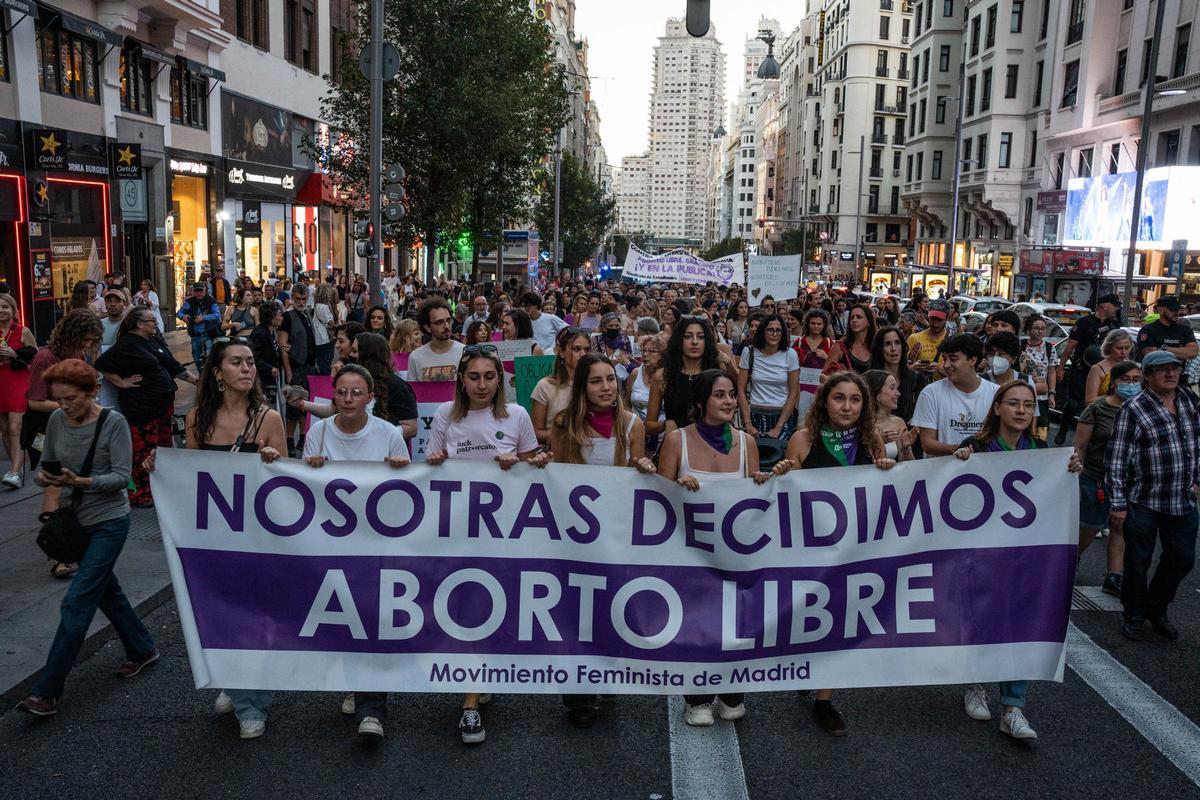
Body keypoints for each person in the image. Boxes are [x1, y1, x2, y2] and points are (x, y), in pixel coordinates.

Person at [148, 338, 286, 737]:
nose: (247, 369)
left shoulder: (269, 419)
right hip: (216, 540)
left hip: (258, 539)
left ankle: (252, 704)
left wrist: (272, 462)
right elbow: (191, 479)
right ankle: (233, 680)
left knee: (253, 620)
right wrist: (160, 465)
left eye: (250, 362)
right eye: (237, 362)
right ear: (218, 372)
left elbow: (286, 489)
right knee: (222, 617)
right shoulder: (197, 419)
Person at [15, 360, 158, 717]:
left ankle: (47, 692)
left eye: (72, 398)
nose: (65, 406)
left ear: (92, 392)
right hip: (75, 523)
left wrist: (81, 482)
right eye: (59, 399)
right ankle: (142, 649)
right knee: (106, 591)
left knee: (77, 601)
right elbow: (45, 466)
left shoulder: (114, 423)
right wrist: (45, 480)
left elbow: (123, 478)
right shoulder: (55, 421)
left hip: (110, 521)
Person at [425, 345, 549, 743]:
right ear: (462, 379)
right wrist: (438, 459)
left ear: (500, 380)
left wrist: (524, 463)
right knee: (464, 605)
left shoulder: (517, 415)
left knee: (489, 603)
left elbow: (534, 468)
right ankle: (475, 681)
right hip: (458, 528)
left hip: (505, 531)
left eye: (489, 377)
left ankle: (470, 703)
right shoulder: (445, 414)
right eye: (474, 377)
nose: (482, 384)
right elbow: (431, 466)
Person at [954, 380, 1083, 740]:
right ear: (997, 408)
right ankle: (974, 683)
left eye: (1028, 405)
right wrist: (958, 463)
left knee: (1020, 624)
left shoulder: (1043, 452)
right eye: (1014, 403)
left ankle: (1013, 707)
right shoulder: (974, 447)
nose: (1022, 411)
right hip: (980, 554)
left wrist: (1069, 469)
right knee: (979, 618)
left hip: (1025, 556)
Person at [774, 371, 896, 736]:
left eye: (855, 400)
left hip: (854, 551)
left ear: (865, 405)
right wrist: (779, 473)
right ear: (824, 402)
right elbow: (788, 494)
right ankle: (804, 666)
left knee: (840, 621)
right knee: (805, 618)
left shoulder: (870, 438)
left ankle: (824, 701)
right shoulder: (803, 439)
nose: (847, 406)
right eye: (839, 398)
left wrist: (888, 469)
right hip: (809, 552)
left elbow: (887, 493)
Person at [656, 369, 773, 727]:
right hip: (690, 554)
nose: (728, 401)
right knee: (697, 625)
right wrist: (677, 484)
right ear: (701, 401)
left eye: (731, 395)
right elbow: (658, 499)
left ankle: (732, 690)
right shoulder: (677, 440)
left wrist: (763, 483)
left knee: (735, 623)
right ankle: (697, 696)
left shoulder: (747, 444)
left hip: (733, 556)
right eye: (719, 395)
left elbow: (754, 502)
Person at [303, 364, 411, 739]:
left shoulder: (389, 434)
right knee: (342, 618)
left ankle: (372, 711)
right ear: (333, 395)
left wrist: (400, 469)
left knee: (372, 619)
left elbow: (407, 495)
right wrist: (310, 469)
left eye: (356, 392)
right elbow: (305, 491)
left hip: (377, 546)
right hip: (332, 546)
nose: (348, 399)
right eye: (342, 392)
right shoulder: (317, 434)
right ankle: (355, 682)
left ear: (371, 398)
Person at [551, 353, 653, 727]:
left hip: (616, 532)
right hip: (576, 536)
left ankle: (605, 673)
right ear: (583, 387)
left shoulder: (631, 424)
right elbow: (559, 477)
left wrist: (642, 467)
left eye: (610, 379)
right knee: (576, 611)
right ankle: (578, 694)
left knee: (610, 607)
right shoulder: (565, 424)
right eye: (596, 381)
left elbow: (634, 477)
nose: (606, 387)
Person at [1105, 350, 1200, 642]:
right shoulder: (1134, 408)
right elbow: (1117, 459)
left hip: (1182, 498)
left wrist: (1197, 479)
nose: (1171, 374)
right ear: (1147, 376)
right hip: (1144, 498)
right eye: (1163, 370)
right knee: (1137, 561)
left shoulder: (1188, 401)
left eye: (1175, 369)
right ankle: (1133, 615)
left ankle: (1156, 607)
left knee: (1182, 558)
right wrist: (1118, 504)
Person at [94, 308, 196, 507]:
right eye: (151, 321)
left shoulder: (154, 341)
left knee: (164, 447)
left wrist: (197, 381)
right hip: (142, 407)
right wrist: (121, 382)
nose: (155, 324)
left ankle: (161, 487)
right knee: (143, 450)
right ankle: (139, 493)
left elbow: (172, 365)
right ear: (139, 324)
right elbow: (102, 363)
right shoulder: (126, 345)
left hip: (163, 404)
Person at [1075, 360, 1139, 597]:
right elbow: (1080, 446)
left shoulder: (1142, 409)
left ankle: (1114, 575)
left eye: (1136, 380)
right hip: (1095, 479)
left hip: (1128, 481)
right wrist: (1077, 471)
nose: (1131, 385)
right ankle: (1074, 557)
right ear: (1113, 383)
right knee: (1089, 528)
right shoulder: (1097, 409)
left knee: (1119, 527)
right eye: (1126, 380)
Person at [294, 332, 418, 440]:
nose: (351, 355)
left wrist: (378, 436)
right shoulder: (350, 379)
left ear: (368, 355)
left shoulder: (396, 386)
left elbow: (411, 427)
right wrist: (302, 404)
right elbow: (334, 410)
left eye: (355, 351)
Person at [911, 333, 998, 456]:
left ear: (972, 360)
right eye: (944, 358)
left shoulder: (996, 393)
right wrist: (960, 449)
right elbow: (927, 444)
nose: (946, 365)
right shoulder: (930, 393)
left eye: (953, 359)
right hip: (942, 472)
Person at [646, 316, 731, 437]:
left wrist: (728, 363)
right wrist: (666, 424)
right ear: (679, 340)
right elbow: (649, 426)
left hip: (713, 445)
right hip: (676, 447)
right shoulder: (663, 376)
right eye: (688, 336)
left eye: (701, 337)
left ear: (706, 341)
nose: (695, 341)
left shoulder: (716, 374)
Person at [1056, 293, 1120, 445]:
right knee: (1073, 403)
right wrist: (1061, 367)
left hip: (1103, 370)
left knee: (1099, 402)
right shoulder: (1085, 322)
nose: (1116, 309)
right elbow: (1070, 345)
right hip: (1082, 369)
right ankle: (1063, 428)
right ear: (1104, 306)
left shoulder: (1113, 324)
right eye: (1113, 306)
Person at [737, 313, 800, 440]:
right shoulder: (749, 352)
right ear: (763, 331)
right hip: (754, 415)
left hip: (782, 417)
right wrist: (747, 423)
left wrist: (778, 427)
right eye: (770, 330)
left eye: (778, 330)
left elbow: (793, 393)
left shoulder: (790, 354)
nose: (774, 334)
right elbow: (741, 390)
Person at [532, 326, 591, 444]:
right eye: (576, 349)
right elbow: (536, 432)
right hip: (558, 456)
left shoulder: (594, 384)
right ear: (562, 352)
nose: (582, 354)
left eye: (586, 349)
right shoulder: (545, 386)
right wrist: (571, 435)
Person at [1, 293, 36, 488]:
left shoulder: (23, 331)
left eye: (5, 307)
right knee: (5, 429)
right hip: (0, 383)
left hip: (17, 381)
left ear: (13, 310)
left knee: (16, 427)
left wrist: (15, 354)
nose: (1, 311)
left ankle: (14, 471)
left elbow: (35, 357)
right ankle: (16, 464)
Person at [279, 283, 317, 447]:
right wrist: (287, 370)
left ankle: (302, 437)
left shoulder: (308, 313)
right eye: (298, 299)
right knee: (292, 405)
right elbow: (283, 345)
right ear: (292, 298)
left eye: (304, 299)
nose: (301, 302)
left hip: (309, 365)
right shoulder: (287, 317)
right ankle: (289, 440)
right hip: (295, 366)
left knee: (304, 404)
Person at [868, 326, 928, 425]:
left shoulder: (917, 379)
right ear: (880, 349)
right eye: (887, 344)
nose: (894, 348)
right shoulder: (869, 380)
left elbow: (924, 412)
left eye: (897, 342)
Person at [1018, 316, 1058, 440]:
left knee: (1040, 431)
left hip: (1041, 396)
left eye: (1043, 329)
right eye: (1036, 328)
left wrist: (1051, 393)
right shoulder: (1020, 345)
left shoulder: (1049, 348)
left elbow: (1051, 372)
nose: (1040, 331)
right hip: (1023, 393)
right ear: (1028, 330)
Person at [864, 369, 917, 461]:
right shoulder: (861, 424)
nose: (898, 394)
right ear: (876, 394)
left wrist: (905, 449)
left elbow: (908, 467)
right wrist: (878, 441)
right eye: (892, 388)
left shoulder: (898, 423)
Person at [407, 298, 464, 382]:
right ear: (427, 327)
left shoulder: (464, 352)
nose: (447, 326)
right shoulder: (416, 357)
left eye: (448, 320)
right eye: (439, 322)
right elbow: (413, 390)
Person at [1136, 295, 1197, 363]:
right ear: (1160, 310)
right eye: (1172, 310)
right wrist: (1181, 351)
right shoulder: (1148, 330)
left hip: (1178, 372)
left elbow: (1193, 352)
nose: (1176, 313)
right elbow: (1151, 355)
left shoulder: (1185, 330)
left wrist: (1163, 349)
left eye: (1177, 309)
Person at [824, 303, 876, 376]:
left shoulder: (877, 346)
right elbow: (823, 376)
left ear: (868, 321)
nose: (854, 320)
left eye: (859, 317)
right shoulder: (840, 346)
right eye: (851, 318)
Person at [177, 282, 220, 368]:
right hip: (196, 335)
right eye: (197, 291)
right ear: (193, 291)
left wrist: (203, 318)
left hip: (208, 334)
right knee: (197, 359)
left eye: (201, 291)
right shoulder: (189, 301)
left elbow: (217, 315)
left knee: (210, 359)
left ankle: (209, 377)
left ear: (205, 290)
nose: (199, 293)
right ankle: (201, 377)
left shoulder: (211, 301)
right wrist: (183, 316)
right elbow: (179, 313)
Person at [1084, 330, 1134, 404]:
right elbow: (1089, 400)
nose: (1124, 352)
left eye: (1127, 348)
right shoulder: (1097, 369)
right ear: (1109, 347)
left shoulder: (1132, 367)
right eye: (1119, 348)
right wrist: (1113, 395)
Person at [906, 299, 949, 376]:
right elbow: (902, 368)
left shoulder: (952, 342)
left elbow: (959, 375)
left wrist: (939, 370)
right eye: (932, 319)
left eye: (940, 320)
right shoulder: (914, 338)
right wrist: (912, 368)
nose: (935, 324)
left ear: (947, 318)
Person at [592, 312, 635, 382]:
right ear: (604, 327)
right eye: (611, 326)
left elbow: (630, 357)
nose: (614, 328)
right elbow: (592, 359)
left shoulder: (625, 340)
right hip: (600, 376)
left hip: (620, 379)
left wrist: (625, 359)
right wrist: (609, 362)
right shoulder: (596, 340)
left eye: (616, 325)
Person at [311, 283, 338, 376]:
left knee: (322, 362)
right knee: (325, 362)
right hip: (325, 338)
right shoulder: (323, 307)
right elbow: (330, 322)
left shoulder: (317, 305)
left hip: (319, 338)